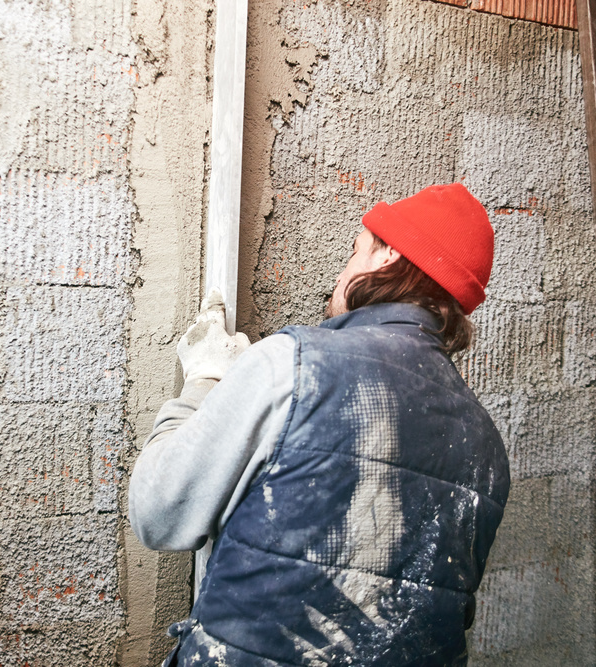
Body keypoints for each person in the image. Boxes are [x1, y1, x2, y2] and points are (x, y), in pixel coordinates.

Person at [128, 182, 511, 666]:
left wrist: (204, 381)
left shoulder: (294, 366)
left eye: (356, 251)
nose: (340, 273)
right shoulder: (487, 446)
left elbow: (159, 514)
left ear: (386, 255)